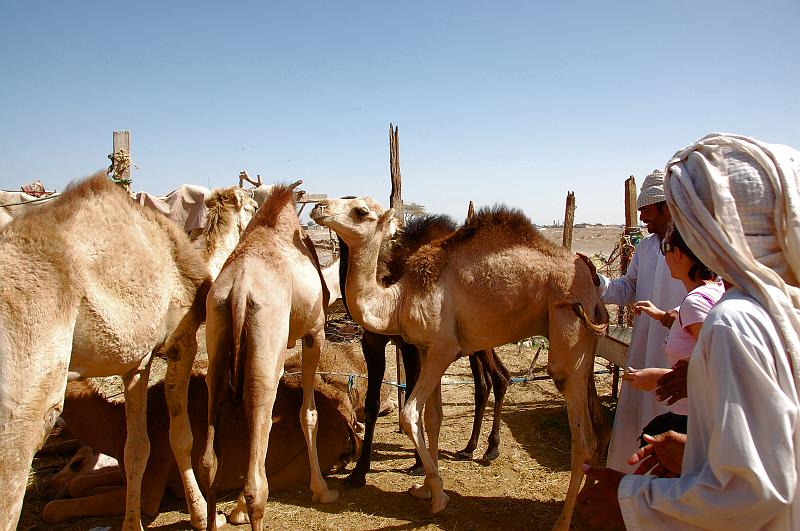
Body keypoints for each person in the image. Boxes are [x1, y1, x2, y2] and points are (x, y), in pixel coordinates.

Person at [578, 133, 800, 529]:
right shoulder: (777, 311)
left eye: (655, 209)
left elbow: (753, 490)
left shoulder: (734, 321)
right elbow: (772, 448)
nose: (644, 218)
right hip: (649, 358)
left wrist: (631, 502)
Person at [580, 169, 686, 472]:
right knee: (639, 417)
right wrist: (597, 282)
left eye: (648, 210)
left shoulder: (695, 248)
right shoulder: (647, 247)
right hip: (644, 348)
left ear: (667, 206)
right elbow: (628, 289)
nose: (643, 218)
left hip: (676, 355)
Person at [624, 223, 724, 441]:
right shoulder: (716, 290)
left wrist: (660, 378)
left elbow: (718, 361)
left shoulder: (695, 302)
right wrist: (660, 315)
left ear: (677, 254)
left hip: (693, 420)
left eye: (664, 250)